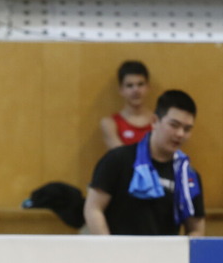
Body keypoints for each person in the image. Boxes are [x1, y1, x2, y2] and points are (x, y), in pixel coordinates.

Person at [85, 89, 205, 236]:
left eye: (187, 129)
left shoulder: (189, 175)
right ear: (154, 121)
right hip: (119, 255)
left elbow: (196, 229)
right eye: (174, 125)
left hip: (165, 257)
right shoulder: (117, 159)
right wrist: (110, 249)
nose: (180, 134)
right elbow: (93, 208)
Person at [100, 60, 155, 150]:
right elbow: (122, 157)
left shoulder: (159, 122)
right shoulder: (110, 124)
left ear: (148, 87)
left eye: (140, 84)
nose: (136, 90)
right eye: (129, 85)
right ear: (121, 90)